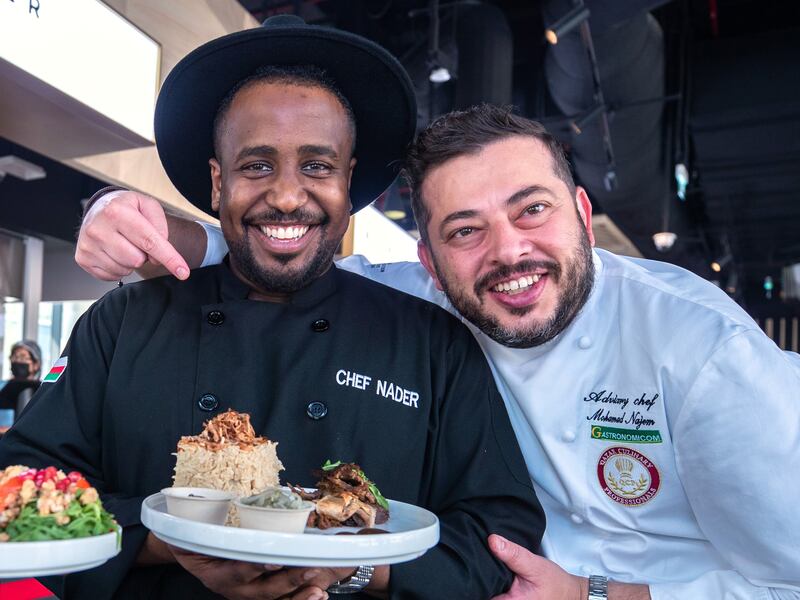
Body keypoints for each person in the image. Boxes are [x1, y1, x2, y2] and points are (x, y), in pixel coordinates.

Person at [77, 102, 800, 600]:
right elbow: (277, 248)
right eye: (465, 230)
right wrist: (115, 214)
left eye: (532, 210)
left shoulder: (705, 349)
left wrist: (600, 594)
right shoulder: (429, 298)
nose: (508, 252)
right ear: (428, 259)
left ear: (582, 212)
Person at [0, 19, 545, 600]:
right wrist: (178, 543)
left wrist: (347, 567)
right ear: (217, 183)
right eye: (257, 165)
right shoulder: (120, 324)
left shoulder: (432, 342)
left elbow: (498, 530)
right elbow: (24, 491)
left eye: (317, 166)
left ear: (348, 180)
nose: (287, 196)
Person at [0, 340, 42, 422]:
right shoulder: (4, 387)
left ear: (36, 364)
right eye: (15, 357)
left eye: (23, 357)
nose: (18, 361)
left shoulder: (42, 390)